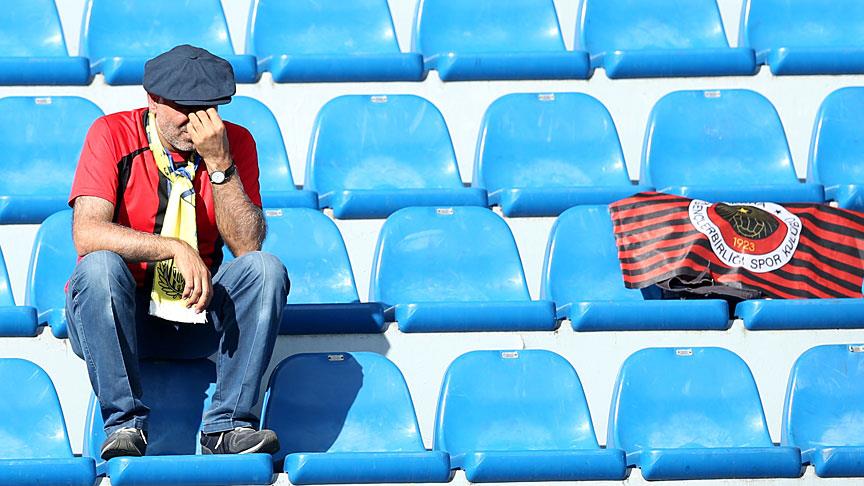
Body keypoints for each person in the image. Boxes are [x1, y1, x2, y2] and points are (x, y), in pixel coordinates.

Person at [65, 44, 288, 459]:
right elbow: (87, 233)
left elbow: (247, 245)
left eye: (208, 108)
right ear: (153, 100)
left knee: (265, 269)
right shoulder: (111, 133)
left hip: (195, 313)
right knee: (99, 267)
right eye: (184, 108)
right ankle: (124, 425)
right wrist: (172, 248)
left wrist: (220, 165)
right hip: (118, 318)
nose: (197, 122)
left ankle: (229, 426)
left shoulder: (233, 142)